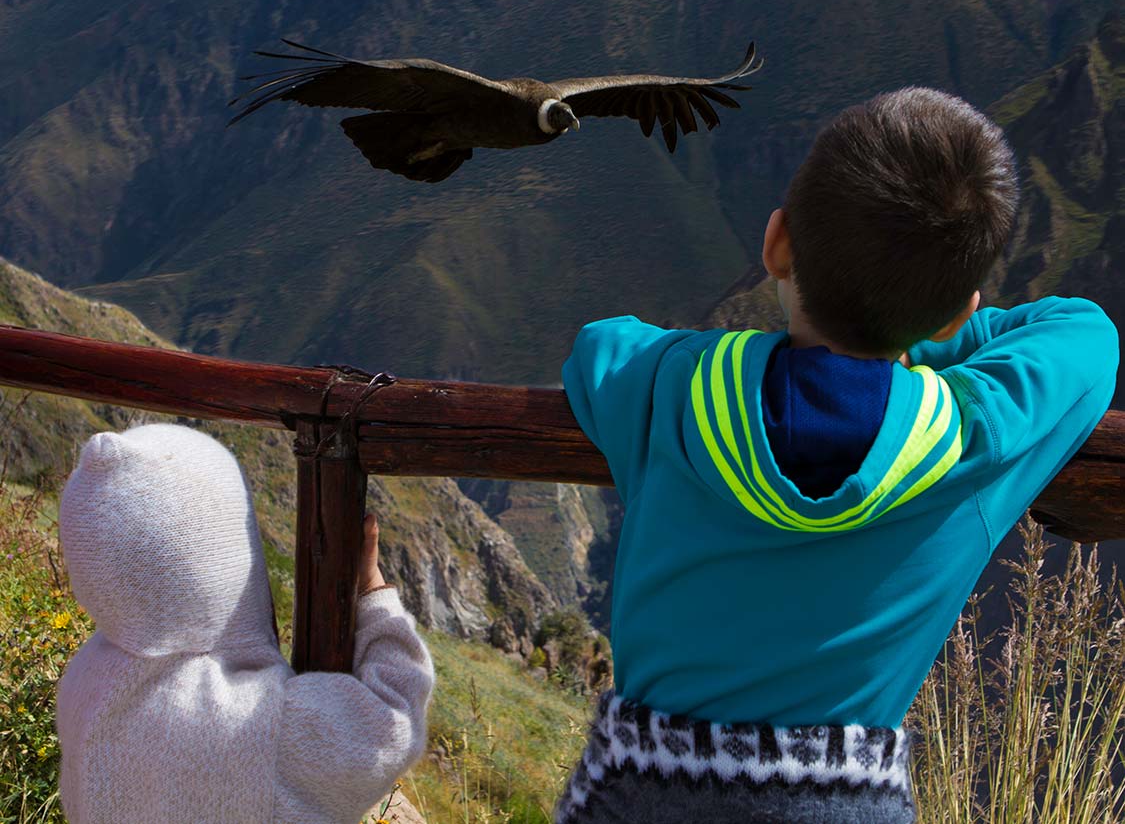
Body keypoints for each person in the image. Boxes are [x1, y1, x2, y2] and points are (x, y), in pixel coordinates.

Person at [555, 87, 1119, 823]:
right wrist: (930, 330)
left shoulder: (670, 387)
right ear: (958, 310)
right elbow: (1081, 330)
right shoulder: (975, 436)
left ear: (776, 244)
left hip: (635, 791)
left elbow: (599, 342)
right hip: (847, 804)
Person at [55, 423, 434, 824]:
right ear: (225, 562)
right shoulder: (263, 728)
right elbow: (394, 719)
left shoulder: (85, 679)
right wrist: (373, 593)